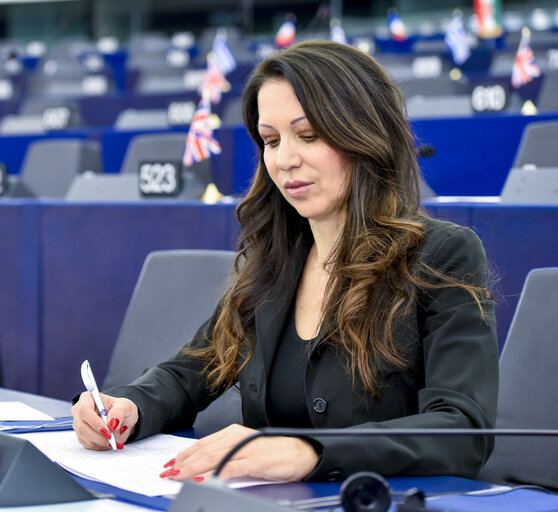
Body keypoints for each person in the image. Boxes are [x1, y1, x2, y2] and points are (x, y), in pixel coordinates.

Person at [71, 40, 498, 483]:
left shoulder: (443, 254)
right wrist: (129, 407)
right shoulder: (276, 262)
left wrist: (310, 452)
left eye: (309, 135)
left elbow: (463, 429)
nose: (285, 160)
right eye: (271, 141)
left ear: (364, 135)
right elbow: (190, 372)